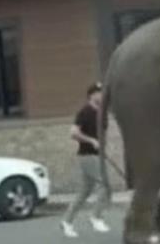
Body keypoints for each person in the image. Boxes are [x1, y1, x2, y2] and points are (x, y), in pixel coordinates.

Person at [60, 82, 110, 238]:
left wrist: (101, 145)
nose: (102, 96)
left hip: (97, 155)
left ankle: (66, 222)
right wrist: (91, 141)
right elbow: (73, 133)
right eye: (99, 93)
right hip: (87, 155)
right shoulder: (85, 112)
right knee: (106, 186)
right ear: (92, 95)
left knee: (85, 191)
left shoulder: (102, 112)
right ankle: (96, 217)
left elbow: (102, 133)